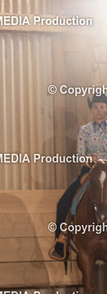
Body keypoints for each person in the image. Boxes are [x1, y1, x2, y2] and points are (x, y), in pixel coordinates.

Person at [51, 94, 107, 260]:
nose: (99, 110)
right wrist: (90, 159)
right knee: (64, 202)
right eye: (95, 107)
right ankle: (61, 240)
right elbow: (80, 153)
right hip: (90, 171)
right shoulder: (85, 130)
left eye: (102, 107)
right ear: (91, 110)